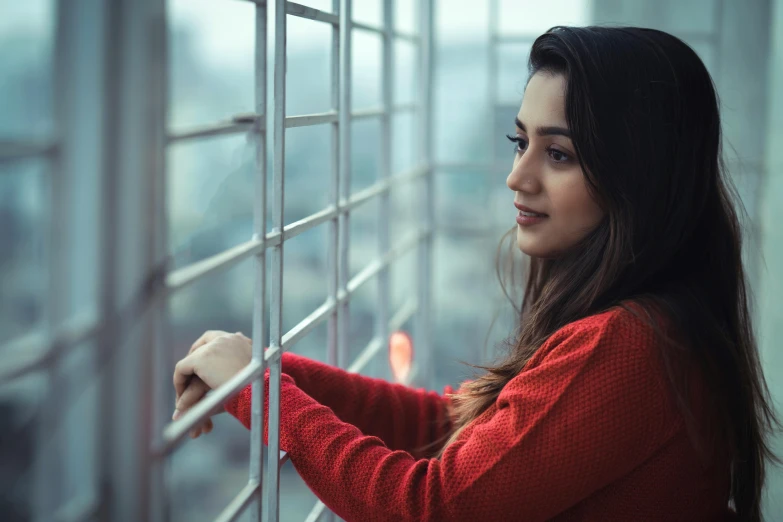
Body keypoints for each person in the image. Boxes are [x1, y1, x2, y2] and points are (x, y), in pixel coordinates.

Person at [171, 26, 781, 521]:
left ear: (640, 179)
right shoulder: (657, 322)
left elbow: (428, 507)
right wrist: (263, 373)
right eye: (521, 142)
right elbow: (449, 428)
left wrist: (265, 396)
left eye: (559, 153)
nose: (518, 177)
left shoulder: (629, 345)